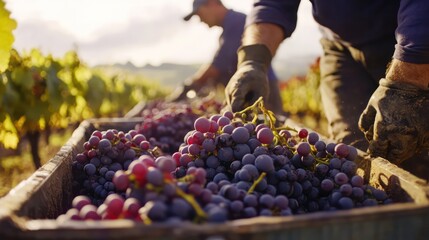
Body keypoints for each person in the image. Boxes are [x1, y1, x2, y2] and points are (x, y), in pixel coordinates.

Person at [224, 0, 429, 166]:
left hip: (413, 41)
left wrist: (409, 81)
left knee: (413, 146)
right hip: (341, 47)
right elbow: (272, 5)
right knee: (352, 151)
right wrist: (254, 61)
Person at [168, 0, 283, 114]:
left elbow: (217, 66)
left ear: (212, 3)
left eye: (199, 14)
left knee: (270, 125)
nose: (201, 20)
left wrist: (189, 85)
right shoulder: (228, 28)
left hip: (260, 88)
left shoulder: (236, 22)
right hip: (251, 88)